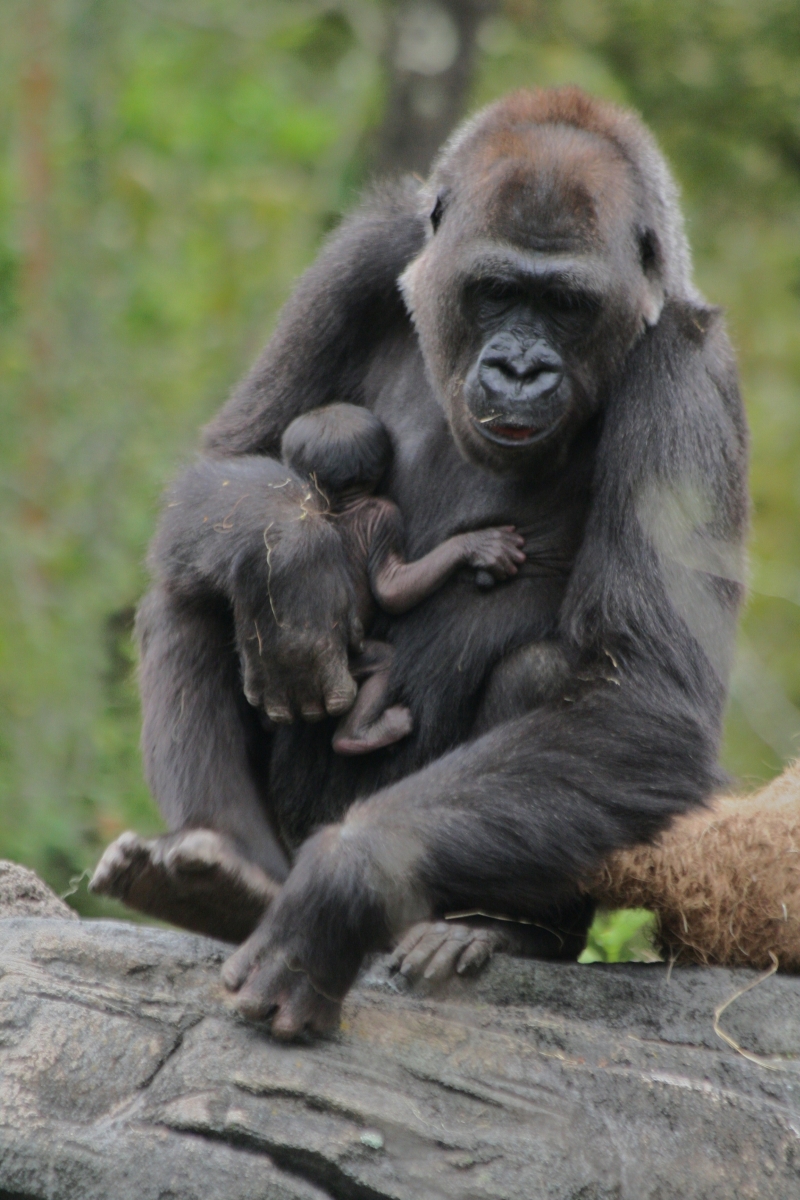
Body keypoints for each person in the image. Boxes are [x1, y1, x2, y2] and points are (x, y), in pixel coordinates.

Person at [281, 403, 526, 754]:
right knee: (385, 661)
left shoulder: (296, 518)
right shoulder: (375, 514)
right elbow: (392, 589)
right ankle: (357, 729)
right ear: (380, 467)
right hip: (336, 652)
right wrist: (462, 547)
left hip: (286, 650)